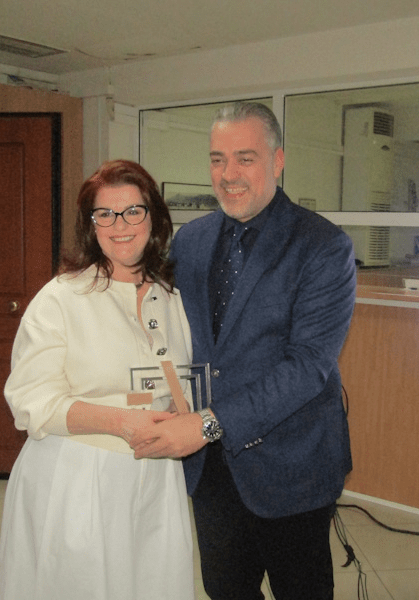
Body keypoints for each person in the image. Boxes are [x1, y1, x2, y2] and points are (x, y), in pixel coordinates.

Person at [131, 102, 357, 599]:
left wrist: (207, 423)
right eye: (218, 159)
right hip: (212, 470)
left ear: (278, 160)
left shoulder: (323, 246)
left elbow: (307, 368)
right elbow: (162, 325)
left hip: (292, 465)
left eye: (245, 158)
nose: (228, 174)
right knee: (226, 591)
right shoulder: (191, 241)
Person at [0, 159, 196, 600]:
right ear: (91, 225)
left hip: (156, 478)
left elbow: (178, 381)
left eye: (133, 211)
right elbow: (31, 401)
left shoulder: (171, 296)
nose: (120, 225)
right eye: (105, 214)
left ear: (154, 218)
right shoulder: (62, 298)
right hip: (78, 480)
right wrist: (121, 421)